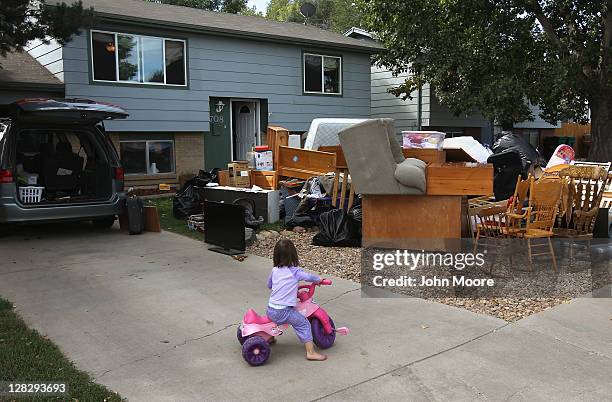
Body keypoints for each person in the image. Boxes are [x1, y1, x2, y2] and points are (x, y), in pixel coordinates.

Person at [267, 238, 327, 361]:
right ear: (294, 255)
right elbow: (308, 277)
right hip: (283, 312)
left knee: (276, 321)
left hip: (271, 309)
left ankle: (269, 337)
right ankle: (311, 353)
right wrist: (319, 279)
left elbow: (269, 285)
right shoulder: (295, 272)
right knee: (303, 324)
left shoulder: (274, 270)